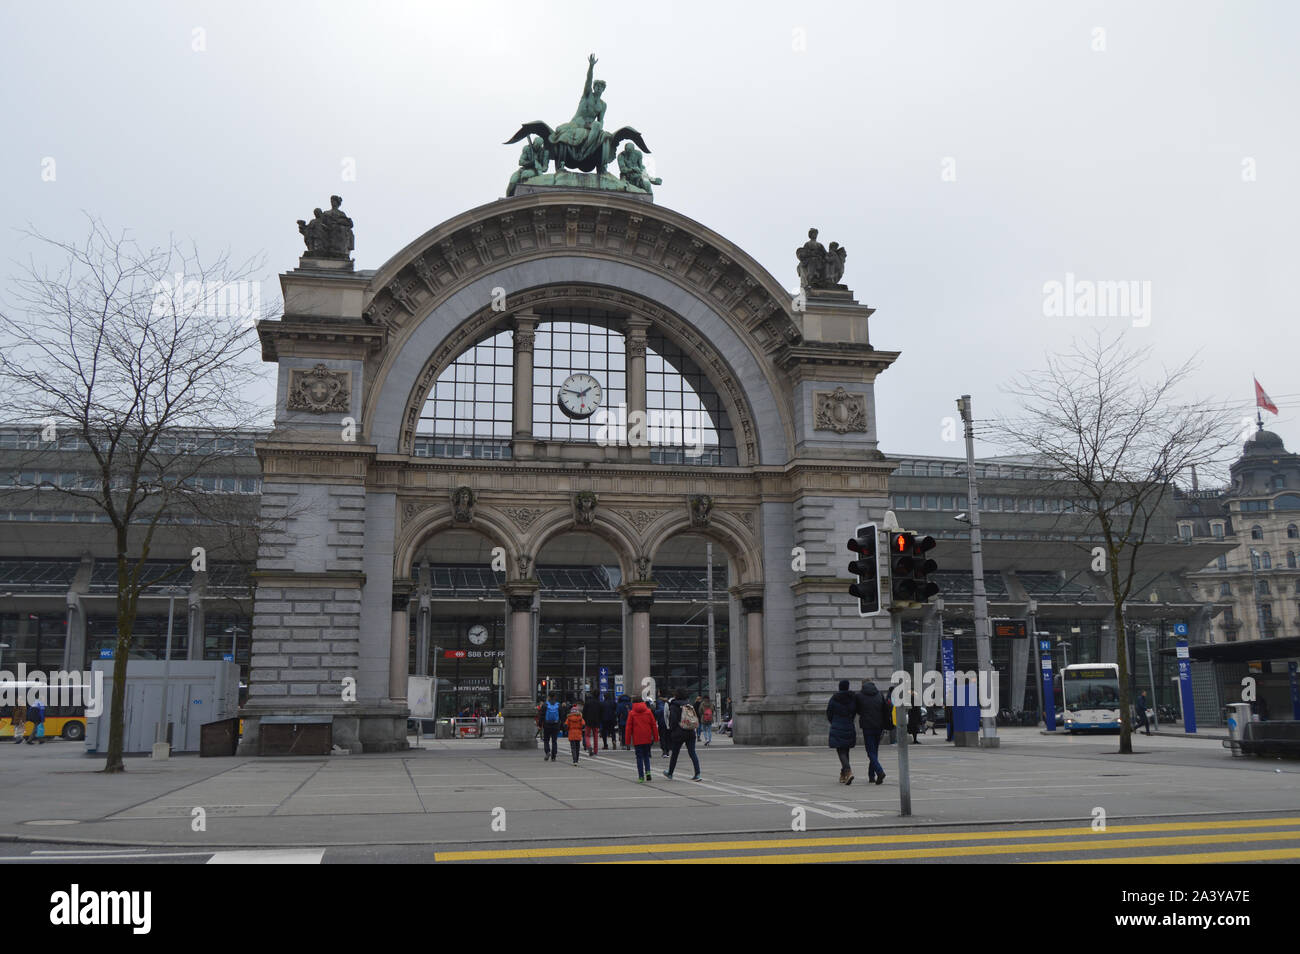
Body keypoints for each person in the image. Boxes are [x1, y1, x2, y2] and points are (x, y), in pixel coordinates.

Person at [854, 680, 892, 785]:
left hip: (867, 726)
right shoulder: (879, 694)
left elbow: (857, 710)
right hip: (879, 725)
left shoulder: (859, 696)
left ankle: (879, 771)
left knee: (870, 751)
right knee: (874, 751)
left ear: (862, 685)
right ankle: (871, 776)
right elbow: (885, 709)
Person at [665, 688, 702, 781]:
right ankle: (697, 773)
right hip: (690, 730)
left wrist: (672, 729)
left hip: (679, 732)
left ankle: (670, 773)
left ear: (676, 696)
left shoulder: (674, 706)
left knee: (675, 753)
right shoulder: (689, 704)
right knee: (692, 753)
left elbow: (673, 720)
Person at [827, 679, 858, 784]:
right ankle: (843, 774)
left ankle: (848, 771)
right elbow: (854, 711)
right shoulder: (852, 698)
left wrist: (834, 722)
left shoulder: (834, 698)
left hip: (837, 725)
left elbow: (829, 713)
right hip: (849, 725)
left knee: (841, 751)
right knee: (846, 750)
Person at [625, 696, 659, 782]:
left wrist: (627, 741)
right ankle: (648, 772)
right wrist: (656, 737)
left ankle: (641, 776)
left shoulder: (632, 713)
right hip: (647, 737)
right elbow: (653, 725)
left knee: (639, 757)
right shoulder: (648, 711)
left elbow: (628, 728)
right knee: (646, 755)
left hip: (637, 739)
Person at [540, 693, 562, 761]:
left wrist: (540, 724)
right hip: (555, 725)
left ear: (548, 697)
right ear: (555, 696)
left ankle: (547, 752)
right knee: (554, 741)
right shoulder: (558, 705)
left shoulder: (545, 705)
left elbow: (542, 715)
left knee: (546, 740)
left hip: (547, 724)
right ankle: (554, 756)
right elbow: (561, 715)